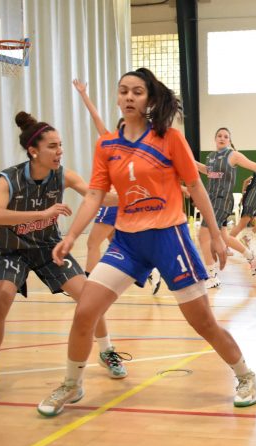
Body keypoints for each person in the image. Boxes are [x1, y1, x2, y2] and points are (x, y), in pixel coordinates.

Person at [37, 68, 256, 416]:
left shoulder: (169, 139)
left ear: (150, 99)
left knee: (202, 322)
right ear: (116, 96)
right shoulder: (107, 145)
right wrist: (70, 236)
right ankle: (71, 384)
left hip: (169, 238)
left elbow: (197, 187)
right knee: (85, 311)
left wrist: (216, 235)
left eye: (137, 92)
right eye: (123, 90)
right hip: (127, 243)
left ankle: (246, 376)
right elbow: (96, 195)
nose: (128, 97)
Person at [0, 112, 127, 394]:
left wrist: (134, 191)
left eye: (60, 145)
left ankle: (107, 351)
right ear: (33, 151)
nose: (59, 151)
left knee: (89, 298)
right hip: (13, 251)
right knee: (0, 300)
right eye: (52, 146)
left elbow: (97, 195)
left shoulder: (63, 175)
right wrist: (43, 212)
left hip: (48, 248)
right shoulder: (10, 178)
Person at [73, 79, 162, 294]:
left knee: (93, 242)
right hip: (117, 204)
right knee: (114, 243)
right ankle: (150, 271)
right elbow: (96, 119)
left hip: (115, 203)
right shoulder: (111, 144)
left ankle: (88, 286)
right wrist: (84, 95)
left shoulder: (136, 149)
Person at [195, 128, 256, 287]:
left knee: (203, 236)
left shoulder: (233, 155)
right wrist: (188, 160)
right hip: (211, 200)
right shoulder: (211, 157)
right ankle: (250, 257)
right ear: (215, 139)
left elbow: (254, 166)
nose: (222, 138)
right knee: (225, 237)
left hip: (222, 200)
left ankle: (212, 276)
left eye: (226, 136)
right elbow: (207, 171)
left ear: (229, 140)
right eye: (219, 136)